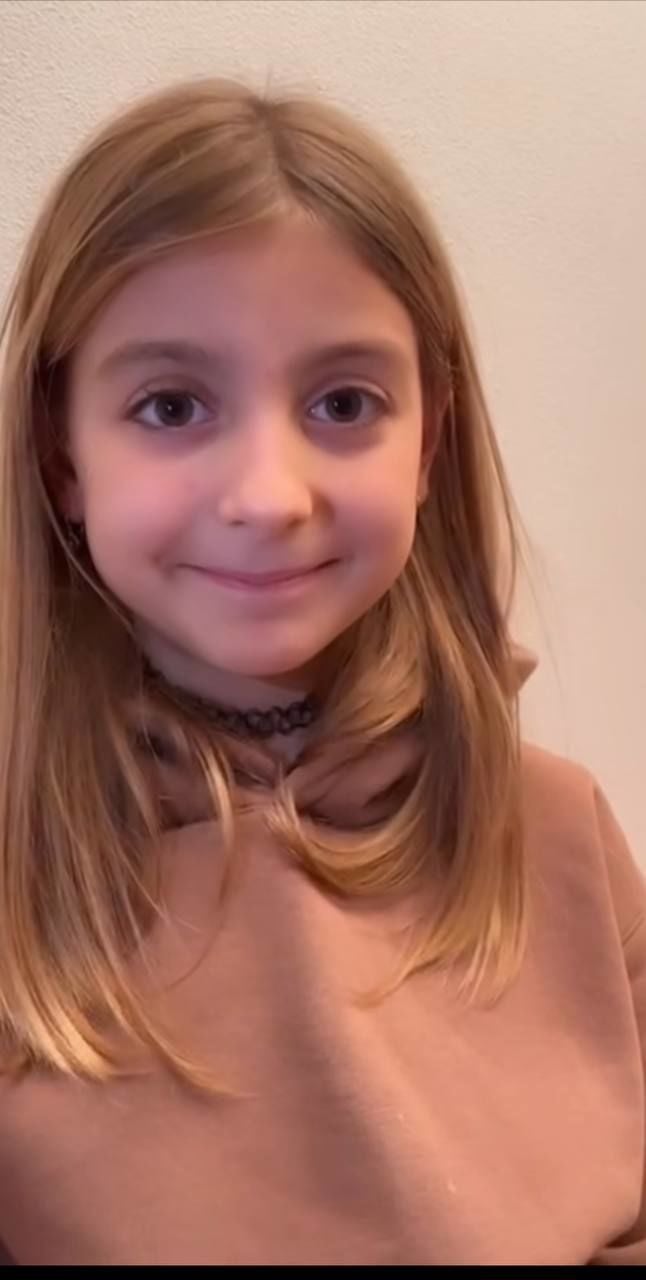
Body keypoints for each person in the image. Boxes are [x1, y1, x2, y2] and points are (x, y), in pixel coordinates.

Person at [0, 77, 642, 1267]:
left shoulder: (560, 835)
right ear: (61, 452)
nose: (268, 495)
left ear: (428, 439)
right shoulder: (20, 866)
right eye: (172, 405)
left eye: (344, 401)